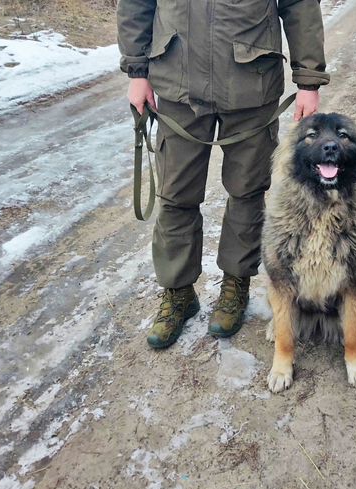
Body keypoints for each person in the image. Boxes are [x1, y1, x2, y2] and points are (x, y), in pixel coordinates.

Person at [117, 0, 329, 348]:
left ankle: (236, 285)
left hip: (251, 80)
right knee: (174, 195)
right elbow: (137, 4)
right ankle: (178, 292)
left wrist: (309, 79)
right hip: (176, 80)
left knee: (247, 192)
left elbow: (299, 5)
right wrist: (137, 72)